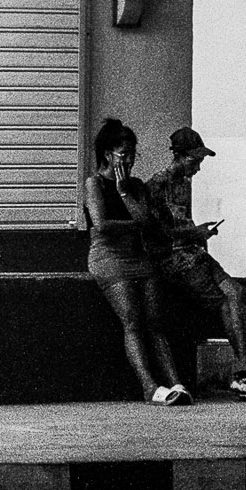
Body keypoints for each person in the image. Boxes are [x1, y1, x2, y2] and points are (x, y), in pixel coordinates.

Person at [148, 127, 246, 401]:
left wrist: (200, 233)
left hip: (194, 254)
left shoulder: (183, 184)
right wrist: (195, 234)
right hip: (176, 261)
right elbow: (157, 234)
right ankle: (244, 373)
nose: (198, 167)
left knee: (237, 292)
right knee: (225, 300)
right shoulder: (157, 186)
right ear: (180, 156)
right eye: (194, 160)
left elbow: (181, 224)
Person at [82, 119, 191, 405]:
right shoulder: (94, 183)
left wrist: (124, 192)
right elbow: (102, 225)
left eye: (132, 153)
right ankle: (149, 386)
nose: (129, 160)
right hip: (109, 257)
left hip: (137, 257)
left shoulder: (135, 187)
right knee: (131, 319)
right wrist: (133, 224)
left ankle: (176, 383)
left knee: (155, 322)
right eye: (123, 153)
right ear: (108, 154)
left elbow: (144, 220)